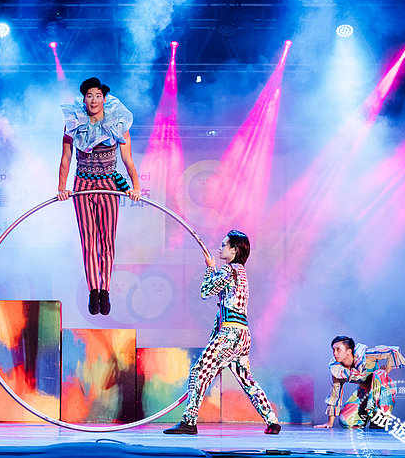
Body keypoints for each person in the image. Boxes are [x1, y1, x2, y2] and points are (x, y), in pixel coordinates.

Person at [164, 230, 281, 435]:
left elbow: (205, 291)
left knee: (199, 371)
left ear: (234, 250)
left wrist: (210, 268)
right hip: (242, 334)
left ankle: (189, 422)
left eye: (224, 245)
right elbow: (223, 299)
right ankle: (272, 420)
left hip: (230, 334)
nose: (220, 248)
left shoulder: (230, 270)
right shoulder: (240, 272)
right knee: (246, 379)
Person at [57, 77, 141, 316]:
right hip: (83, 185)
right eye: (89, 96)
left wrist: (135, 186)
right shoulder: (74, 124)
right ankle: (93, 290)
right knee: (89, 240)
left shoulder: (118, 123)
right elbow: (65, 158)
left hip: (107, 185)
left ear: (104, 99)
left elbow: (128, 159)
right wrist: (62, 188)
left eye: (98, 96)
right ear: (83, 99)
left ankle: (105, 289)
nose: (93, 100)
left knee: (107, 240)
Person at [314, 335, 405, 429]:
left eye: (338, 349)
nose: (335, 353)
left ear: (349, 351)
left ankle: (380, 415)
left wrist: (386, 371)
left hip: (382, 389)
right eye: (333, 350)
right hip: (364, 392)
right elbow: (335, 396)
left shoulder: (364, 356)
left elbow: (392, 351)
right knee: (345, 422)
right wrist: (330, 423)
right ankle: (365, 417)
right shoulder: (338, 370)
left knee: (379, 374)